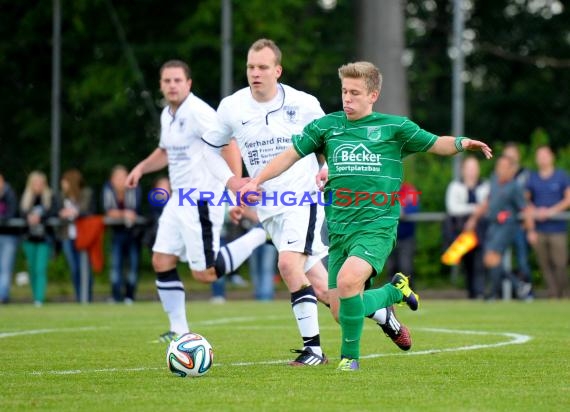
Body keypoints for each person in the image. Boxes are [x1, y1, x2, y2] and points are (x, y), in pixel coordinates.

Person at [239, 61, 492, 371]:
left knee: (347, 284)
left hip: (377, 227)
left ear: (373, 95)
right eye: (344, 91)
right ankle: (393, 292)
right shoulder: (327, 127)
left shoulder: (395, 128)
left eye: (355, 93)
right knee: (338, 308)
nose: (347, 98)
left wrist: (461, 143)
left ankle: (350, 360)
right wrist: (256, 180)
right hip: (340, 231)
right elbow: (290, 154)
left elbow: (434, 143)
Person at [203, 40, 412, 366]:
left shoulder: (303, 103)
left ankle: (313, 350)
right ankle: (383, 309)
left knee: (287, 264)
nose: (255, 73)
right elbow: (210, 148)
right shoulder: (231, 107)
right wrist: (233, 182)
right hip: (270, 207)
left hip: (304, 199)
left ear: (278, 71)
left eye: (262, 67)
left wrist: (328, 167)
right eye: (250, 67)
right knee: (336, 303)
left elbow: (334, 137)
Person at [125, 59, 267, 341]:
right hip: (178, 199)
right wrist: (141, 167)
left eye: (178, 80)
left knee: (206, 273)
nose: (172, 85)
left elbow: (229, 145)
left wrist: (236, 189)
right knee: (161, 260)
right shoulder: (168, 114)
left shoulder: (199, 112)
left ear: (188, 84)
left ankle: (262, 234)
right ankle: (179, 330)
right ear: (161, 85)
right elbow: (165, 151)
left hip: (201, 198)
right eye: (167, 81)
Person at [465, 156, 531, 300]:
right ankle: (516, 285)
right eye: (499, 166)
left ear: (511, 170)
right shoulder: (494, 182)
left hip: (507, 225)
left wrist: (530, 230)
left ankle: (494, 293)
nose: (500, 169)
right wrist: (473, 219)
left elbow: (525, 208)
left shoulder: (514, 186)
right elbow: (487, 202)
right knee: (490, 260)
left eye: (504, 167)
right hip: (493, 225)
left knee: (491, 257)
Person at [525, 145, 570, 298]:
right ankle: (553, 294)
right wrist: (536, 213)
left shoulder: (561, 176)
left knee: (560, 263)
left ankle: (562, 294)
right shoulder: (532, 178)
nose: (542, 159)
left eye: (545, 155)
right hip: (539, 228)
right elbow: (526, 201)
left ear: (551, 157)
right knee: (544, 265)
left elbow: (568, 199)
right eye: (539, 156)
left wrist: (551, 212)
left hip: (557, 228)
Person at [444, 156, 489, 299]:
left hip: (481, 231)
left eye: (474, 168)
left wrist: (475, 214)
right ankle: (472, 293)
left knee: (479, 262)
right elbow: (453, 208)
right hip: (460, 231)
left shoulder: (485, 186)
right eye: (469, 168)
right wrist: (475, 209)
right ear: (463, 170)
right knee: (467, 264)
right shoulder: (455, 186)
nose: (472, 172)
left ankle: (479, 293)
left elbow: (488, 208)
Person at [103, 165, 143, 304]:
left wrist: (119, 214)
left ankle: (130, 296)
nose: (121, 180)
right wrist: (124, 213)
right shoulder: (107, 190)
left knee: (132, 265)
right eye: (118, 177)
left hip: (133, 234)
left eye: (124, 177)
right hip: (116, 234)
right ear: (112, 180)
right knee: (115, 265)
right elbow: (109, 211)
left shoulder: (135, 189)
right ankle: (115, 295)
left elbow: (134, 212)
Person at [57, 169, 96, 302]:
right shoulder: (61, 196)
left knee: (85, 268)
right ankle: (79, 297)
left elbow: (86, 211)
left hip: (83, 236)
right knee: (74, 269)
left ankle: (87, 298)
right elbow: (56, 212)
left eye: (65, 181)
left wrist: (73, 212)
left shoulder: (86, 193)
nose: (62, 184)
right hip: (68, 237)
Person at [20, 171, 57, 306]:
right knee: (32, 269)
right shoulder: (26, 197)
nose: (38, 186)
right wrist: (28, 217)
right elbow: (21, 213)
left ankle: (39, 299)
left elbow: (54, 211)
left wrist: (40, 217)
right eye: (35, 183)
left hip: (44, 239)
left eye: (41, 183)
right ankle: (35, 295)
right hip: (29, 239)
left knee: (40, 269)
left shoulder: (49, 197)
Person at [502, 142, 533, 297]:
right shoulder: (500, 174)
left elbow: (527, 196)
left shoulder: (525, 174)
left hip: (519, 225)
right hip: (502, 226)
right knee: (496, 261)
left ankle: (528, 293)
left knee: (522, 261)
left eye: (513, 155)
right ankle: (507, 290)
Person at [385, 181, 420, 286]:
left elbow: (414, 208)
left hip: (406, 237)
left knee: (406, 268)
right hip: (388, 237)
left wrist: (400, 211)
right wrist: (397, 211)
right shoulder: (384, 189)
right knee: (391, 269)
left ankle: (409, 297)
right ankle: (391, 298)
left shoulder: (409, 190)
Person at [0, 172, 20, 303]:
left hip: (8, 236)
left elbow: (11, 213)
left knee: (5, 268)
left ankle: (2, 296)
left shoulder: (10, 194)